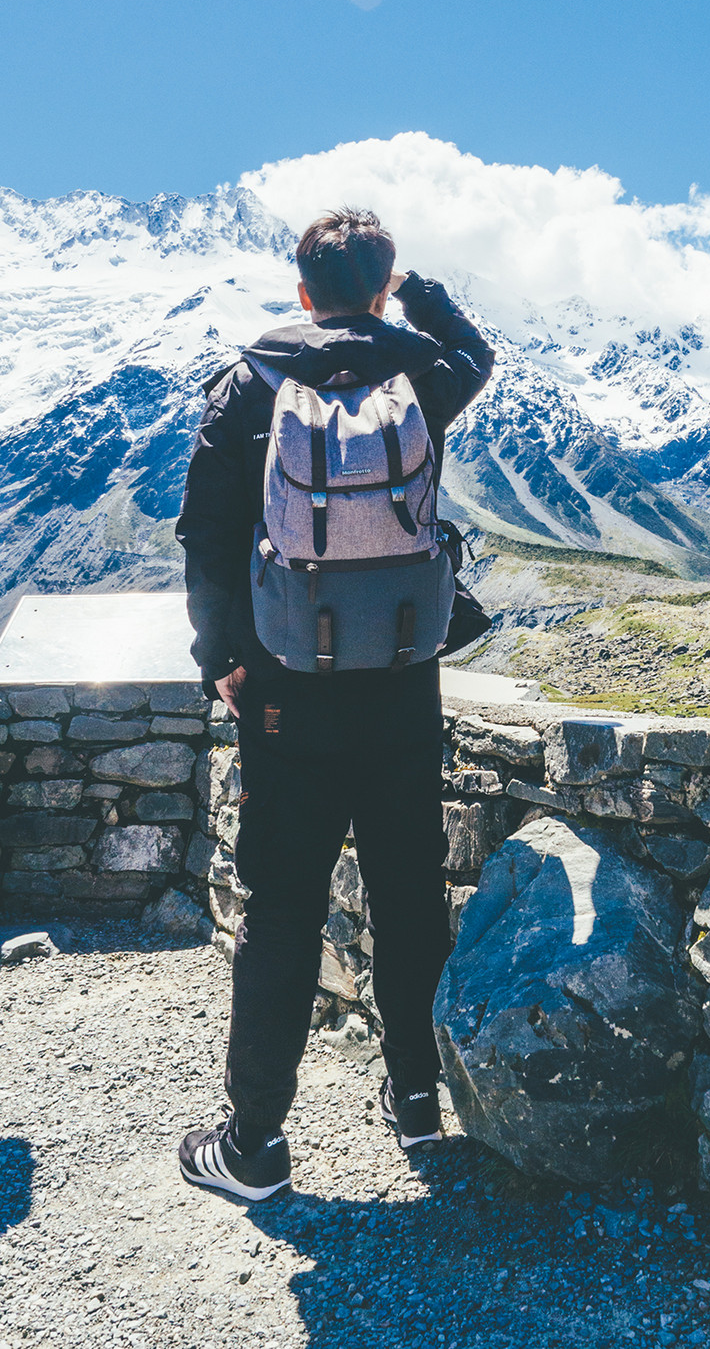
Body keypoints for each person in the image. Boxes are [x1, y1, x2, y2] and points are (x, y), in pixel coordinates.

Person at [173, 207, 494, 1200]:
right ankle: (416, 1105)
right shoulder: (422, 376)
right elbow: (478, 354)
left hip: (284, 693)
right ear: (385, 287)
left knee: (282, 912)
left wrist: (220, 657)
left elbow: (206, 533)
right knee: (407, 894)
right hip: (402, 684)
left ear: (303, 290)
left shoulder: (251, 382)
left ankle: (255, 1145)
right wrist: (423, 301)